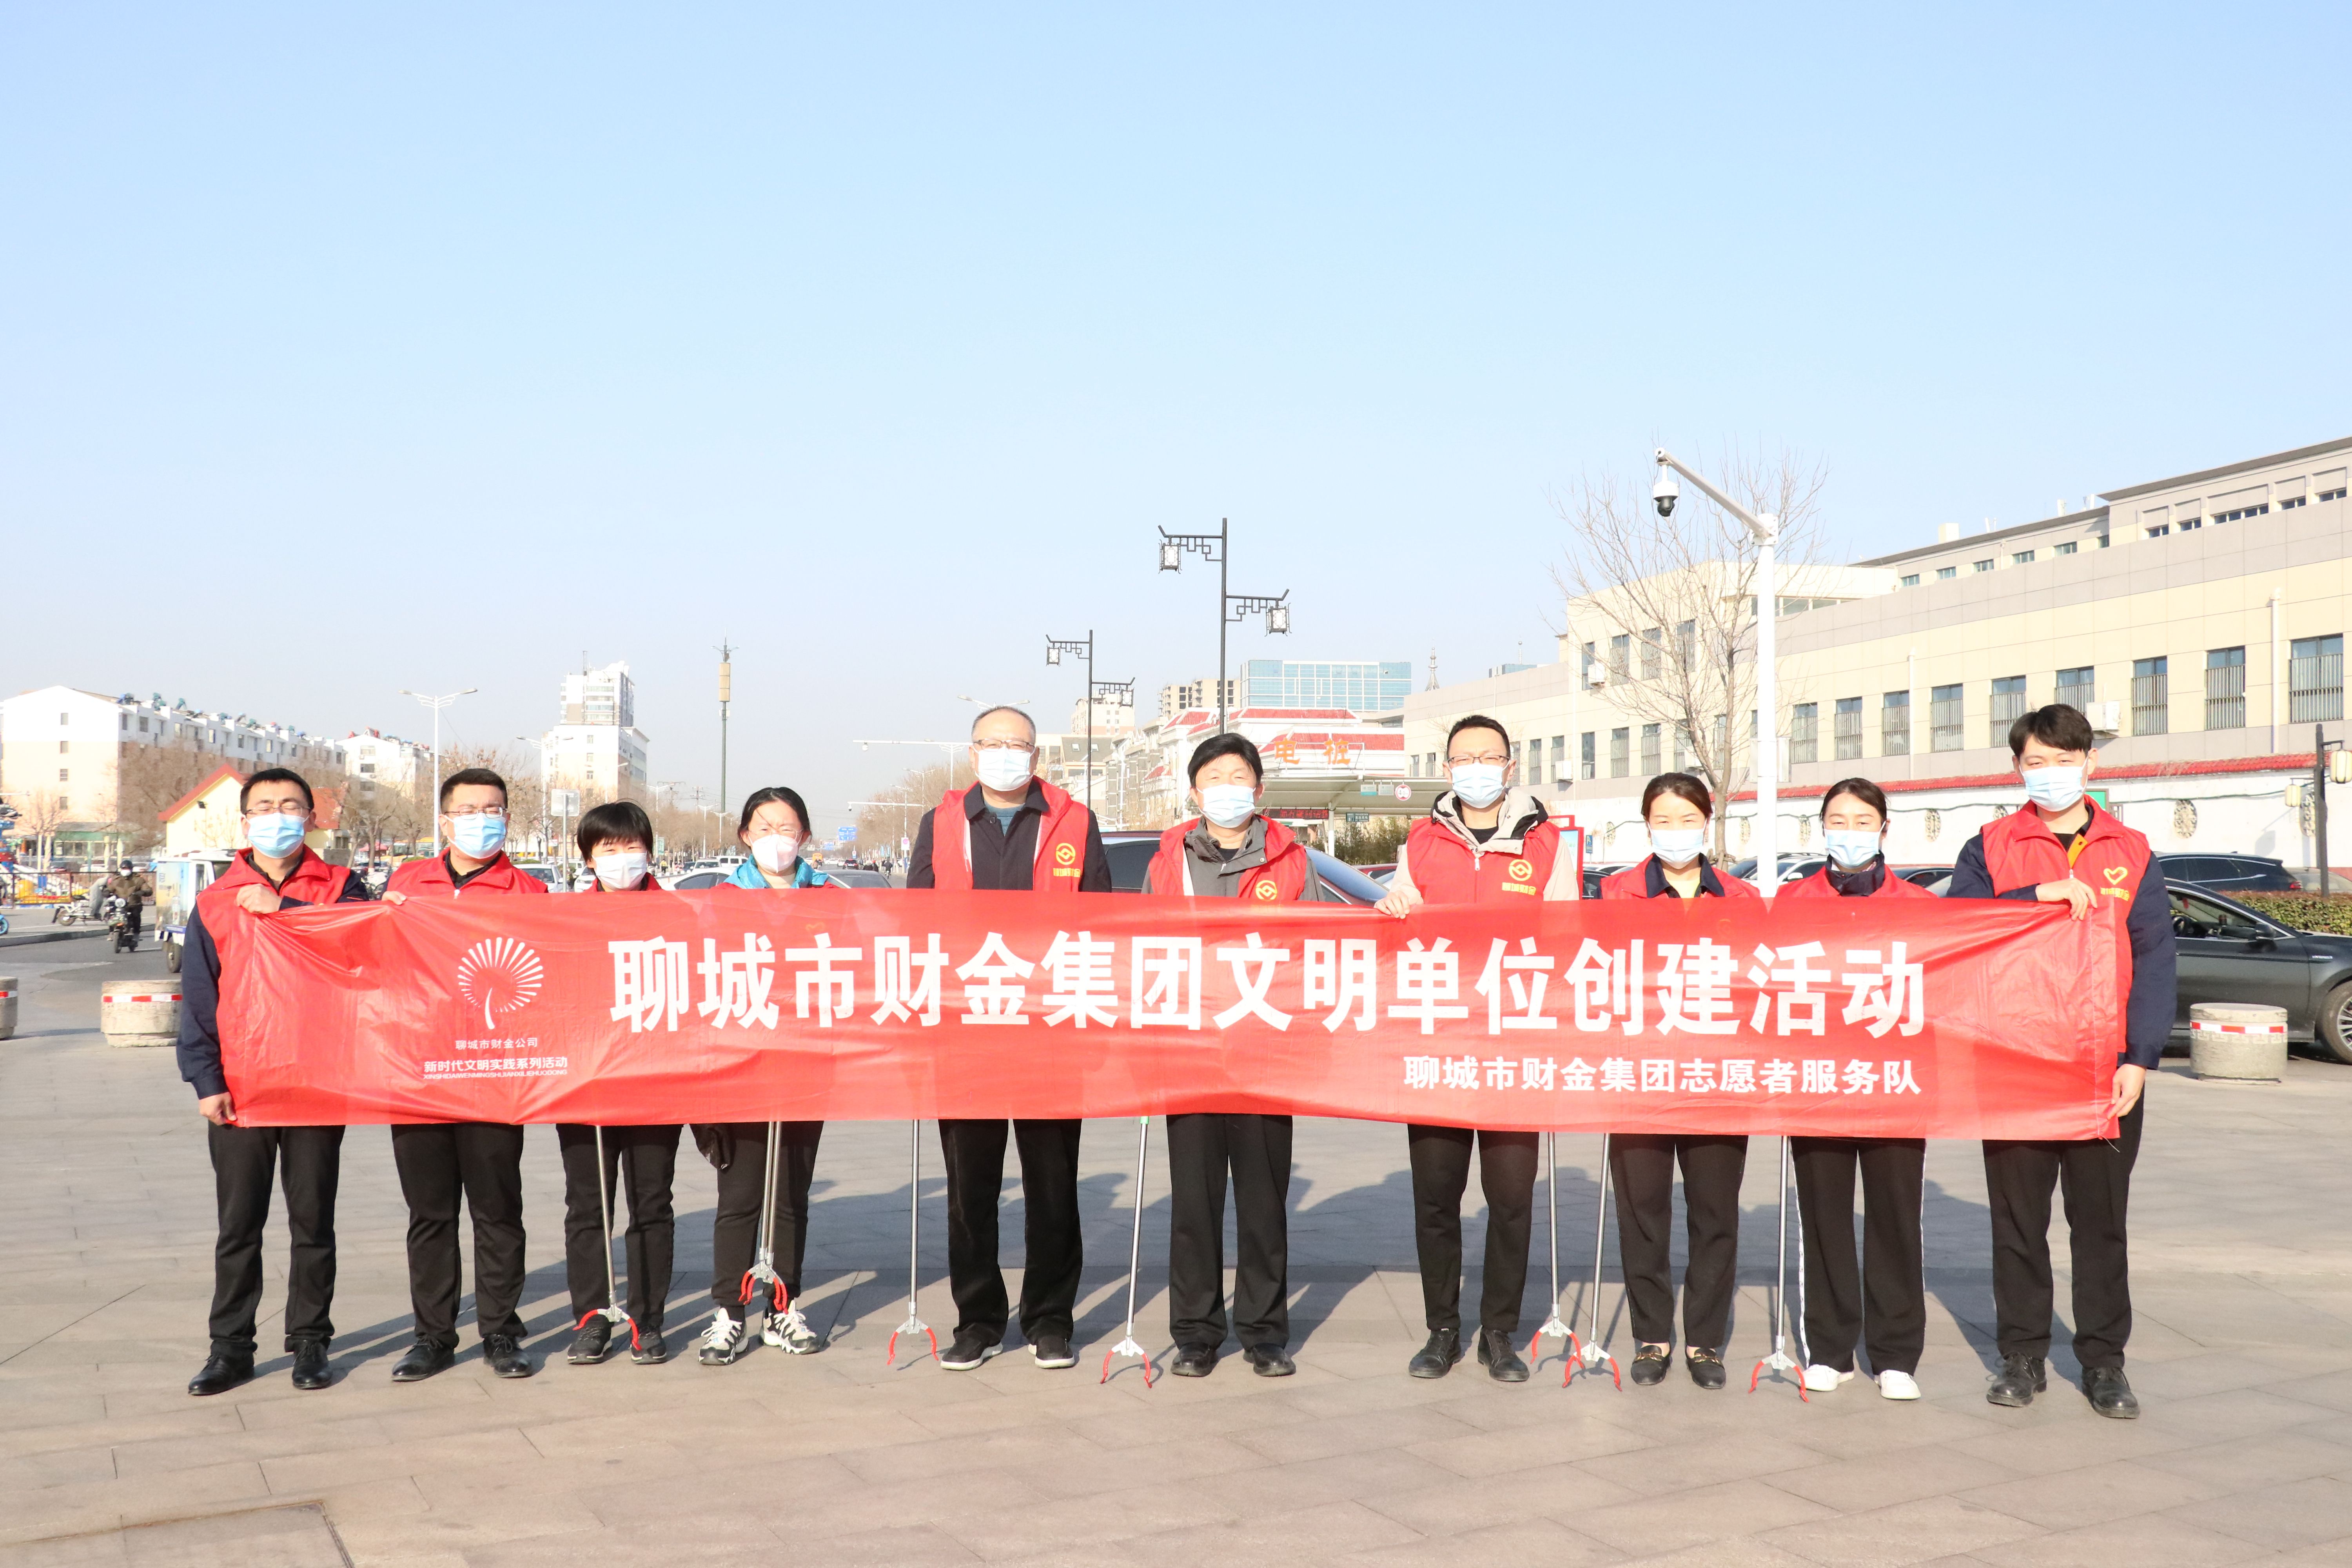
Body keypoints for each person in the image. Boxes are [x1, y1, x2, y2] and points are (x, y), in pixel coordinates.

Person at [1947, 704, 2175, 1419]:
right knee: (2018, 1221)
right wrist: (2032, 897)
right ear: (2017, 768)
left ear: (2090, 763)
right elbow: (1959, 933)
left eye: (2064, 760)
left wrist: (2140, 1058)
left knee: (2100, 1223)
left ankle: (2105, 1361)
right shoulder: (1990, 847)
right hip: (2017, 1064)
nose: (2050, 774)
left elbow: (2155, 959)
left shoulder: (2130, 850)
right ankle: (2022, 1354)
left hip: (2104, 1068)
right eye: (2036, 762)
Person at [906, 705, 1112, 1371]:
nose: (1004, 754)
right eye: (991, 744)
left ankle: (1049, 1319)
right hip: (966, 1035)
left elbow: (1102, 924)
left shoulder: (1074, 822)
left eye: (1016, 744)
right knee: (971, 1191)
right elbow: (914, 925)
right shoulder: (940, 824)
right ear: (972, 754)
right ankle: (979, 1320)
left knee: (1052, 1187)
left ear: (1036, 755)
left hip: (1050, 1036)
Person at [1375, 714, 1579, 1385]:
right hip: (1438, 1045)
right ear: (1447, 768)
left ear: (1510, 767)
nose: (1477, 769)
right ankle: (1442, 1329)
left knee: (1511, 1198)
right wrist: (1394, 907)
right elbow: (1402, 912)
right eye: (1465, 758)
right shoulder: (1422, 840)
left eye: (1489, 757)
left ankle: (1499, 1331)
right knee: (1437, 1196)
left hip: (1515, 1048)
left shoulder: (1545, 841)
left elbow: (1568, 934)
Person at [1143, 733, 1336, 1378]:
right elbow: (1145, 948)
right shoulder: (1169, 859)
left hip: (1265, 1052)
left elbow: (1318, 948)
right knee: (1194, 1205)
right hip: (1192, 1054)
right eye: (1213, 778)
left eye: (1238, 777)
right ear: (1194, 792)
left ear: (1258, 788)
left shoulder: (1291, 859)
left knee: (1262, 1204)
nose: (1226, 788)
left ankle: (1264, 1332)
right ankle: (1196, 1333)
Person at [177, 768, 374, 1396]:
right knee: (239, 1226)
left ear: (312, 818)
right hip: (243, 1086)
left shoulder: (342, 887)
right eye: (264, 806)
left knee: (313, 1222)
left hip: (317, 1082)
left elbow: (363, 950)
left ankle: (311, 1341)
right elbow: (199, 998)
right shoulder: (216, 900)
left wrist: (286, 911)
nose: (278, 816)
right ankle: (230, 1347)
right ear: (245, 822)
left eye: (291, 805)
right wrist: (206, 1079)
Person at [381, 767, 547, 1381]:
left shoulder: (529, 894)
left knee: (497, 1210)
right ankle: (432, 1335)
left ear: (508, 818)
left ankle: (501, 1330)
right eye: (469, 810)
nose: (482, 820)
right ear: (445, 820)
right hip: (417, 1073)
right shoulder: (405, 884)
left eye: (493, 809)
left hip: (494, 1076)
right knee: (430, 1213)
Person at [1598, 772, 1757, 1389]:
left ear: (1707, 823)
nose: (1675, 831)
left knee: (1715, 1212)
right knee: (1643, 1211)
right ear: (1646, 825)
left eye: (1687, 820)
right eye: (1662, 820)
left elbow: (1760, 984)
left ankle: (1705, 1341)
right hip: (1639, 1075)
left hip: (1718, 1077)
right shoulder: (1616, 893)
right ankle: (1652, 1336)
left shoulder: (1741, 898)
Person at [1779, 778, 1936, 1400]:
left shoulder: (1919, 906)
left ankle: (1895, 1355)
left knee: (1895, 1216)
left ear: (1884, 829)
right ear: (1822, 827)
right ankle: (1831, 1349)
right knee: (1825, 1216)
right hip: (1818, 1081)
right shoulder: (1791, 902)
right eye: (1838, 820)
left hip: (1895, 1084)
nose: (1850, 831)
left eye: (1863, 820)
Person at [695, 786, 837, 1367]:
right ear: (745, 836)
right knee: (741, 1194)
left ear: (805, 836)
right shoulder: (722, 900)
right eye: (765, 827)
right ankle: (729, 1312)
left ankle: (782, 1307)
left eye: (788, 828)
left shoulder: (831, 898)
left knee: (790, 1194)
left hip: (808, 1062)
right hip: (742, 1066)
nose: (777, 838)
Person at [559, 800, 682, 1368]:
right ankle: (591, 1318)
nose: (622, 858)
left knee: (651, 1201)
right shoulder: (565, 920)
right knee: (588, 1204)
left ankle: (647, 1319)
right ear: (588, 858)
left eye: (632, 846)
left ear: (650, 852)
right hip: (584, 1082)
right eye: (608, 848)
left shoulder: (680, 916)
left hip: (657, 1081)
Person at [105, 859, 153, 942]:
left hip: (133, 904)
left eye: (127, 869)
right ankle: (112, 932)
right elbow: (110, 888)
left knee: (136, 916)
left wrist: (143, 892)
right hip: (119, 904)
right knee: (111, 913)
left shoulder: (138, 879)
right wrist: (106, 892)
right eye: (124, 869)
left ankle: (136, 933)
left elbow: (148, 890)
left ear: (131, 869)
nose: (125, 871)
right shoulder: (116, 880)